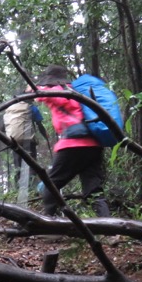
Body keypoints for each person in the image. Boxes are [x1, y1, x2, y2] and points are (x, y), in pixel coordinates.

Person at [34, 64, 110, 217]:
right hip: (94, 145)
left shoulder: (59, 92)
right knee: (93, 191)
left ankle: (49, 227)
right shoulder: (77, 91)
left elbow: (40, 95)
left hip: (73, 145)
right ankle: (111, 229)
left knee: (51, 184)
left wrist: (31, 90)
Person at [3, 95, 48, 189]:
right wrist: (45, 135)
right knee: (32, 164)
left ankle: (17, 189)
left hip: (14, 140)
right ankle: (31, 188)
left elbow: (5, 126)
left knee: (17, 165)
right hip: (28, 140)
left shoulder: (10, 109)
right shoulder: (31, 108)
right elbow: (39, 124)